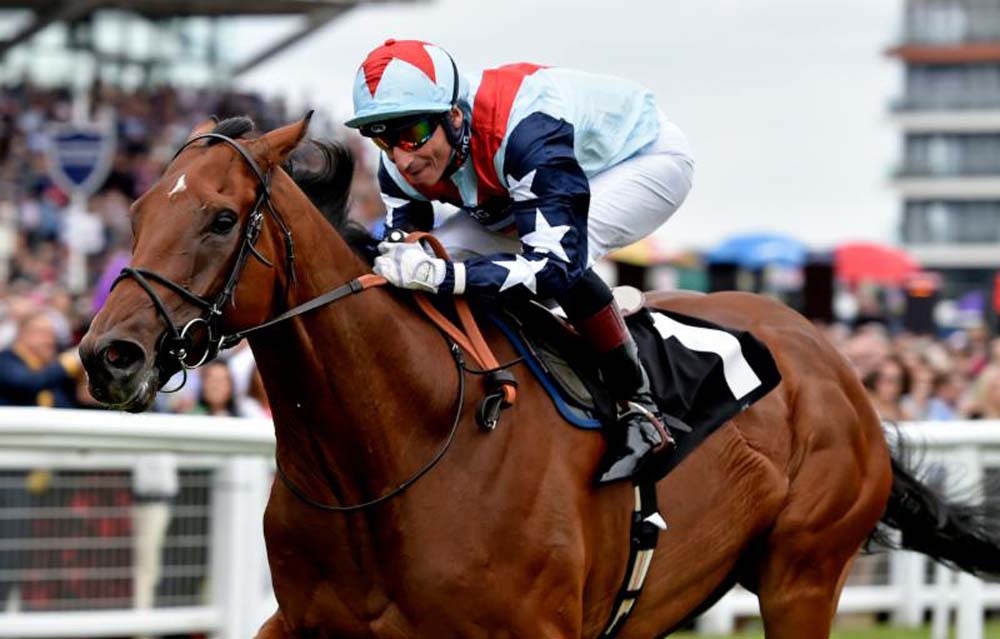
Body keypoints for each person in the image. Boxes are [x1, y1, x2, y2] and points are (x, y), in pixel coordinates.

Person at [346, 39, 695, 483]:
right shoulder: (399, 161)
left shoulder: (528, 131)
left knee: (567, 257)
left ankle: (642, 409)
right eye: (381, 138)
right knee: (423, 264)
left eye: (411, 134)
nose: (401, 157)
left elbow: (554, 267)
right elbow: (402, 250)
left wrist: (447, 275)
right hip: (529, 174)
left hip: (643, 160)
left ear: (454, 116)